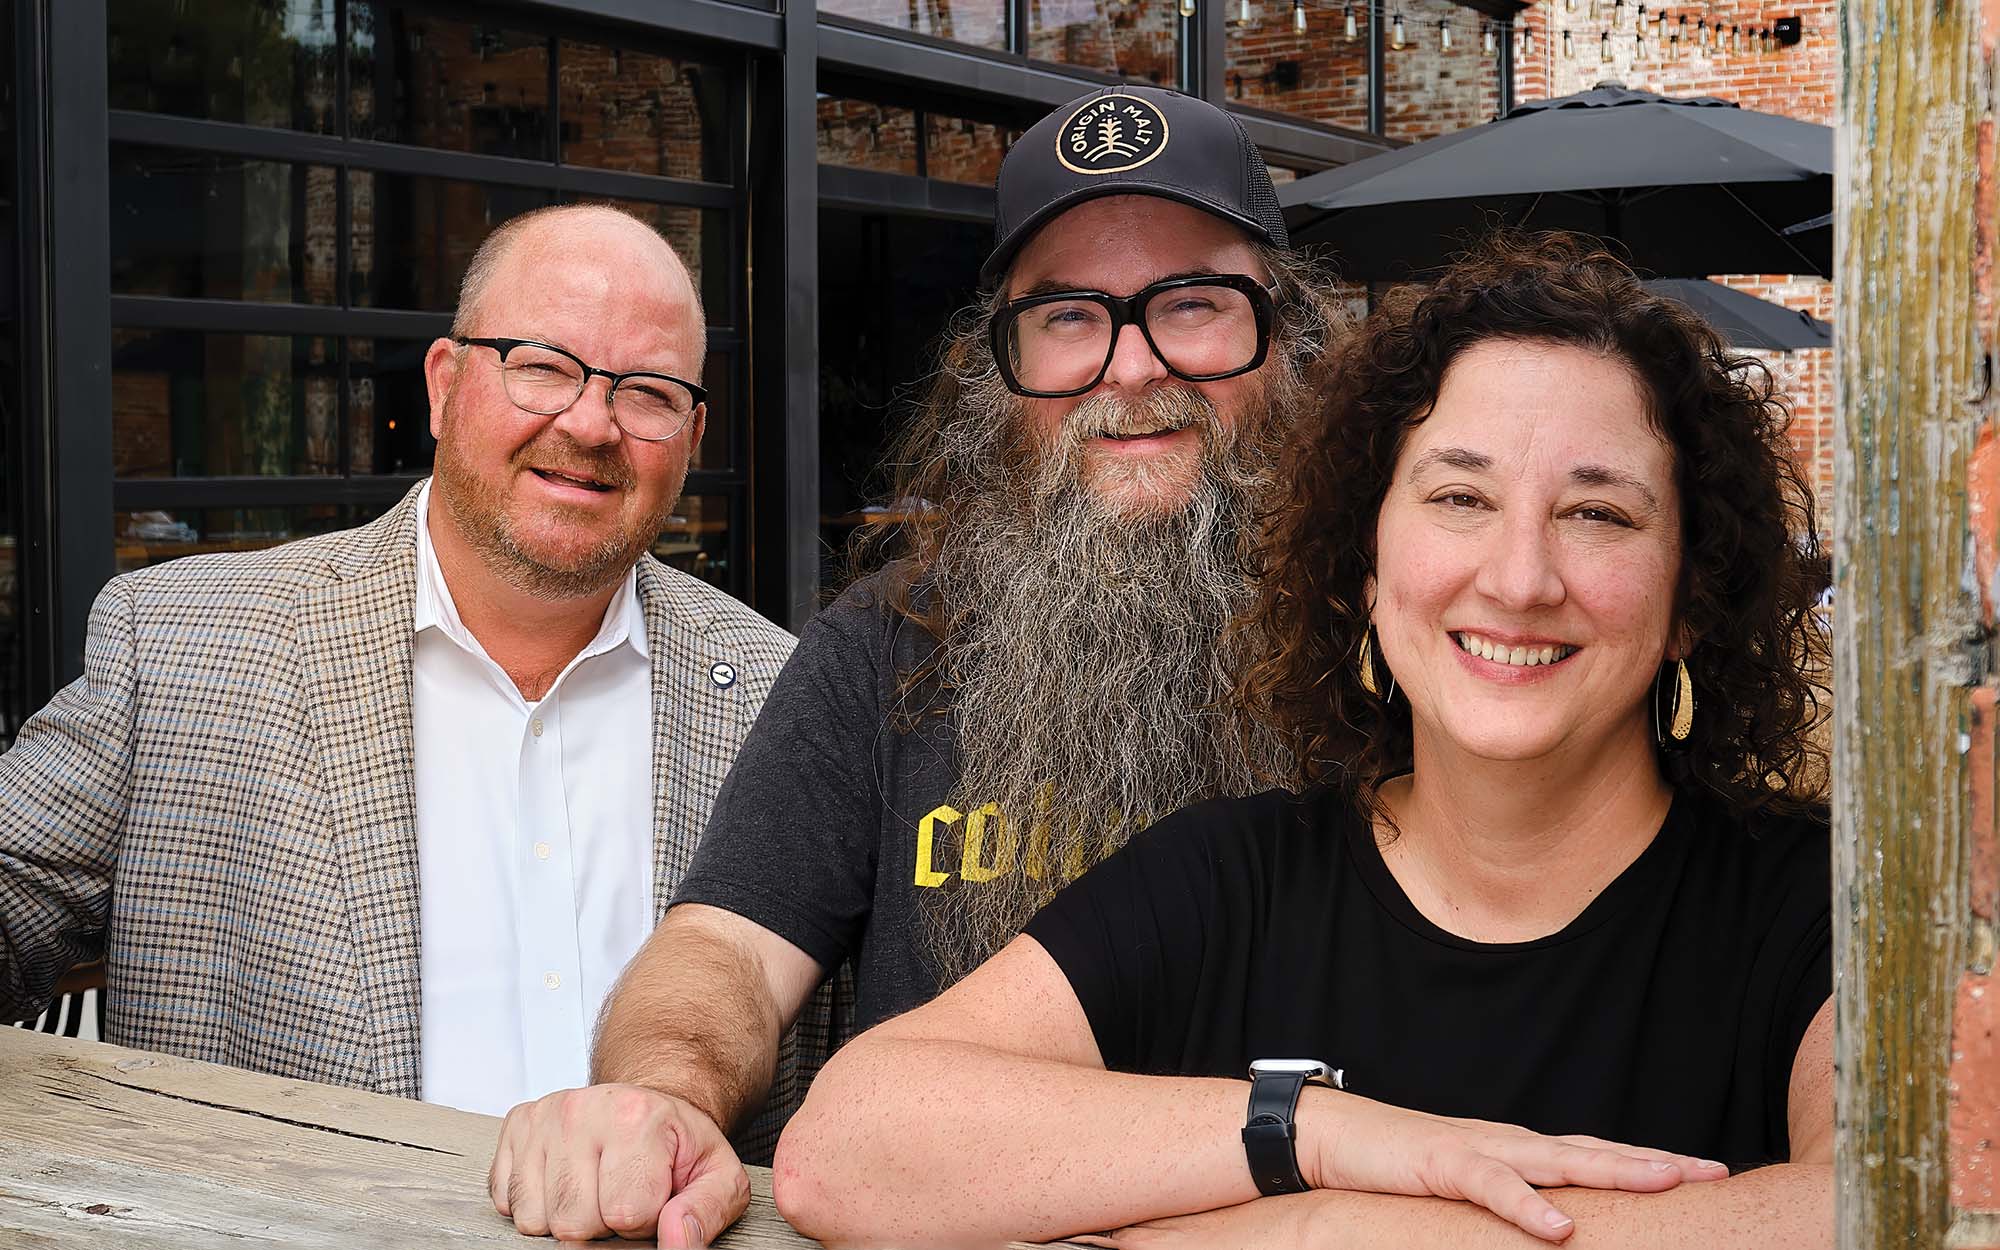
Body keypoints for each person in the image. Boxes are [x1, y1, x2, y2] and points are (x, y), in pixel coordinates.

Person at [772, 232, 1833, 1248]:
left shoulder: (1821, 908)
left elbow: (1898, 1208)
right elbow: (847, 1147)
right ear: (1366, 568)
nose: (1518, 578)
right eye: (1458, 496)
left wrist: (1350, 1230)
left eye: (1595, 513)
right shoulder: (1229, 877)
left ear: (1690, 594)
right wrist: (1314, 1135)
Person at [487, 84, 1365, 1245]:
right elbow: (725, 946)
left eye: (1191, 303)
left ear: (1285, 336)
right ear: (999, 369)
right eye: (1065, 316)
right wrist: (663, 1095)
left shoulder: (1394, 642)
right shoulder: (893, 639)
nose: (1130, 366)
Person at [0, 204, 794, 1121]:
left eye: (649, 390)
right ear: (445, 385)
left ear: (693, 439)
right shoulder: (181, 645)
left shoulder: (784, 696)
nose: (590, 424)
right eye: (540, 367)